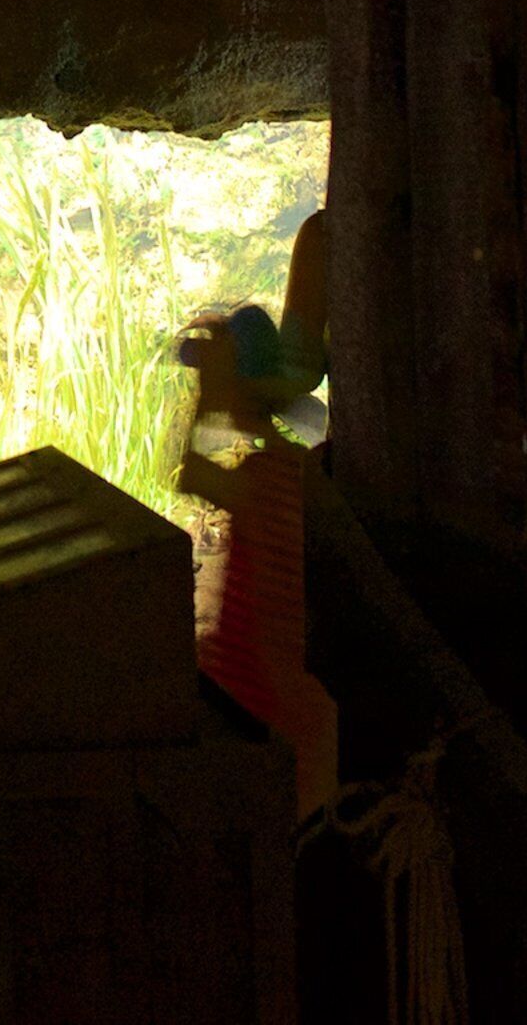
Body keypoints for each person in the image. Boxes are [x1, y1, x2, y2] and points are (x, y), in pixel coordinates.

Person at [174, 212, 337, 818]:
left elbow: (189, 472)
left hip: (257, 694)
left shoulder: (265, 477)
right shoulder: (293, 471)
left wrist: (210, 398)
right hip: (288, 691)